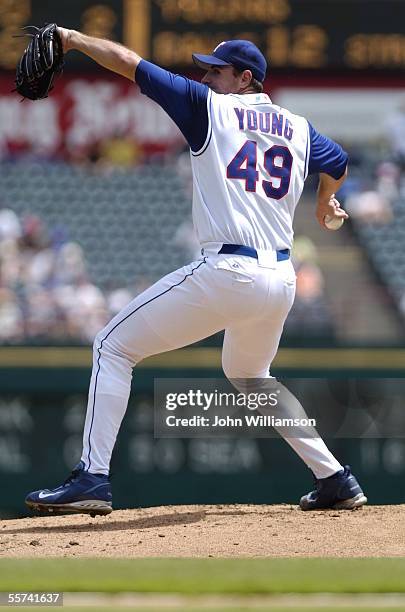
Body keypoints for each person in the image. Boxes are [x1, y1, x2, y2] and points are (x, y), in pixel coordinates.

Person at [25, 32, 367, 515]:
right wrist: (326, 200)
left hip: (229, 270)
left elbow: (128, 62)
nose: (205, 77)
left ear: (244, 79)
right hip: (280, 280)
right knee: (251, 376)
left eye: (215, 70)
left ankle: (92, 477)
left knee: (111, 346)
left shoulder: (210, 107)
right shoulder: (298, 127)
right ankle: (335, 477)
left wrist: (71, 39)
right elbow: (339, 162)